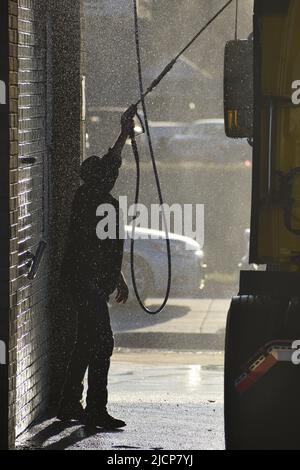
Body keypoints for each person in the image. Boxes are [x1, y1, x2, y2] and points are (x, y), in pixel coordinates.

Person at [57, 106, 136, 429]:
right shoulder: (93, 200)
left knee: (86, 343)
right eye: (106, 172)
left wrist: (123, 132)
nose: (112, 174)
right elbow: (91, 249)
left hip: (87, 281)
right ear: (97, 177)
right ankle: (94, 408)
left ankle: (69, 402)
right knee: (102, 343)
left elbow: (112, 161)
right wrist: (99, 281)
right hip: (86, 283)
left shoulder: (92, 195)